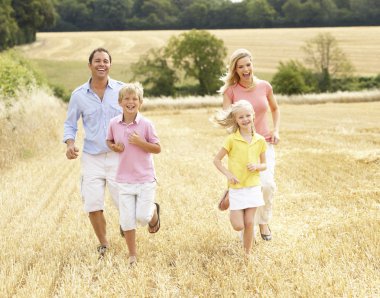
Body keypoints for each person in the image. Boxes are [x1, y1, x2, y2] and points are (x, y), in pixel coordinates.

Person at [63, 48, 126, 258]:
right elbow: (70, 124)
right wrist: (69, 144)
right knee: (92, 202)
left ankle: (131, 221)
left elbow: (134, 121)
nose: (101, 64)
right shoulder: (79, 95)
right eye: (97, 61)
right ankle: (104, 244)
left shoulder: (122, 91)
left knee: (123, 201)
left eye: (105, 61)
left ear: (110, 65)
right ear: (89, 65)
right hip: (92, 157)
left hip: (118, 156)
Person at [218, 48, 280, 241]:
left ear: (252, 64)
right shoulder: (231, 91)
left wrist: (276, 130)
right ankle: (247, 230)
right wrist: (237, 142)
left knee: (267, 185)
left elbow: (275, 109)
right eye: (240, 66)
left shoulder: (265, 86)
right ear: (235, 70)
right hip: (242, 145)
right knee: (248, 186)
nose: (245, 69)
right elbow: (228, 120)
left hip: (264, 143)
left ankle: (263, 221)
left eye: (248, 64)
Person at [106, 82, 161, 265]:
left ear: (140, 102)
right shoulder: (114, 123)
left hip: (145, 179)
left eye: (134, 99)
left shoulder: (146, 124)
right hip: (123, 180)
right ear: (120, 102)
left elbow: (157, 148)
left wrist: (140, 142)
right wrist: (114, 147)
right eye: (126, 99)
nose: (130, 102)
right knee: (127, 220)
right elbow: (109, 140)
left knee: (142, 218)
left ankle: (153, 210)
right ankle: (132, 256)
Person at [213, 100, 267, 254]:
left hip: (253, 185)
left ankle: (247, 254)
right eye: (241, 117)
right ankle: (228, 195)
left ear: (253, 116)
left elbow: (265, 165)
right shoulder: (231, 139)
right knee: (239, 225)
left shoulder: (260, 140)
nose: (245, 119)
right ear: (236, 120)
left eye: (247, 115)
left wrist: (257, 166)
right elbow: (216, 160)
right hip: (236, 187)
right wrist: (228, 174)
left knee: (249, 222)